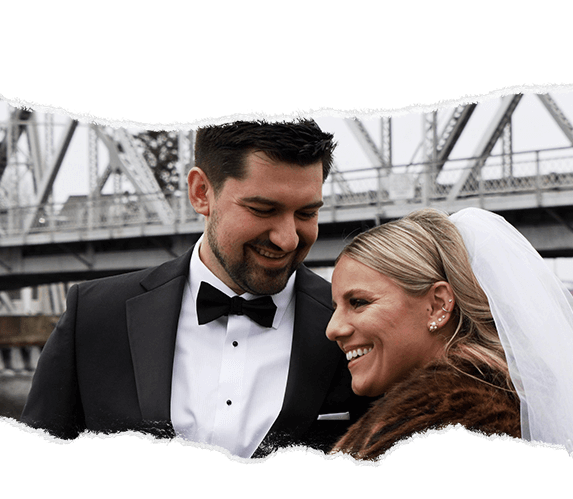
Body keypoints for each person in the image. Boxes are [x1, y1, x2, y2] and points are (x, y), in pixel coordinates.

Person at [21, 120, 370, 459]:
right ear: (201, 192)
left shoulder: (355, 328)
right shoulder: (95, 314)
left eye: (307, 214)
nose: (287, 238)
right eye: (263, 209)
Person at [326, 207, 573, 460]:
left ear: (438, 305)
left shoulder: (458, 424)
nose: (333, 328)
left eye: (358, 302)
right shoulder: (498, 405)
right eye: (337, 306)